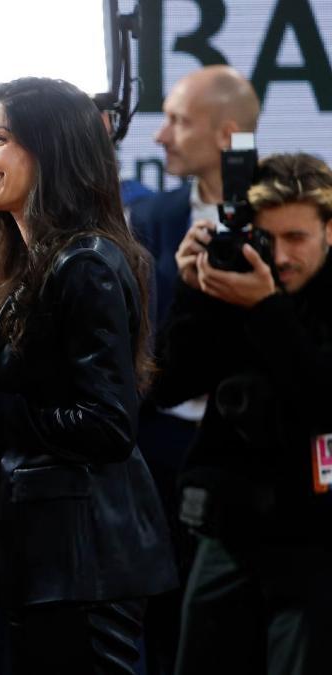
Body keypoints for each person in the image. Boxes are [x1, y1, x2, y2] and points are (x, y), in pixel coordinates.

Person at [0, 77, 176, 674]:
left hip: (83, 565)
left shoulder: (85, 263)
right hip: (44, 561)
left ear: (51, 148)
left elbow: (107, 425)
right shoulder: (37, 264)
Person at [156, 152, 332, 675]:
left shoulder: (269, 297)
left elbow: (323, 400)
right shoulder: (238, 278)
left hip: (316, 540)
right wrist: (192, 293)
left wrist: (268, 311)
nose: (278, 257)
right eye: (266, 238)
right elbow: (165, 386)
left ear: (330, 230)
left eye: (296, 238)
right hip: (230, 530)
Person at [128, 64, 260, 674]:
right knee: (159, 609)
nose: (161, 136)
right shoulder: (152, 220)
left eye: (179, 120)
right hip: (157, 445)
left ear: (228, 136)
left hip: (252, 455)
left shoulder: (289, 219)